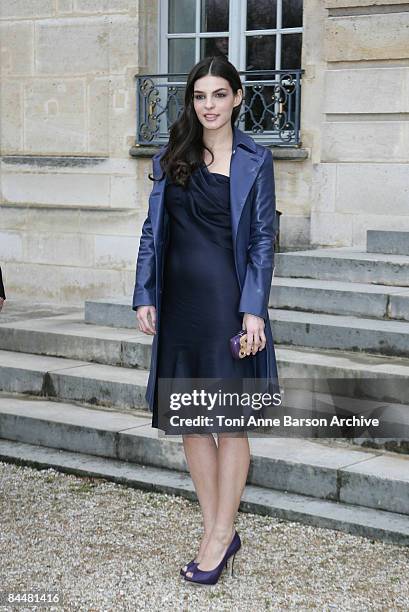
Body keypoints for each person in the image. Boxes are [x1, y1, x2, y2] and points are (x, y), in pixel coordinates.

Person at [132, 55, 279, 585]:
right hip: (180, 306)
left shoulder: (256, 161)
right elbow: (152, 232)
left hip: (228, 306)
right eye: (200, 96)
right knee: (192, 422)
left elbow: (264, 241)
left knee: (230, 422)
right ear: (191, 101)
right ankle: (216, 527)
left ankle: (221, 535)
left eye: (219, 94)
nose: (209, 105)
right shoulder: (171, 156)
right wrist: (144, 292)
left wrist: (253, 310)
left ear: (238, 97)